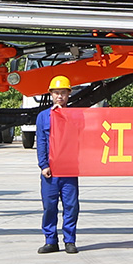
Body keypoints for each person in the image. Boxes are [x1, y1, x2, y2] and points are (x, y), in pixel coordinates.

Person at [37, 75, 80, 254]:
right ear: (51, 94)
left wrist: (63, 116)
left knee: (71, 206)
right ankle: (50, 241)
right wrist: (43, 165)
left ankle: (69, 240)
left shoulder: (75, 116)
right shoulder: (43, 116)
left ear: (69, 95)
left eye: (63, 93)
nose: (60, 97)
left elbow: (81, 137)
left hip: (69, 169)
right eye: (56, 93)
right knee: (49, 206)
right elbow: (41, 142)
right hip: (51, 171)